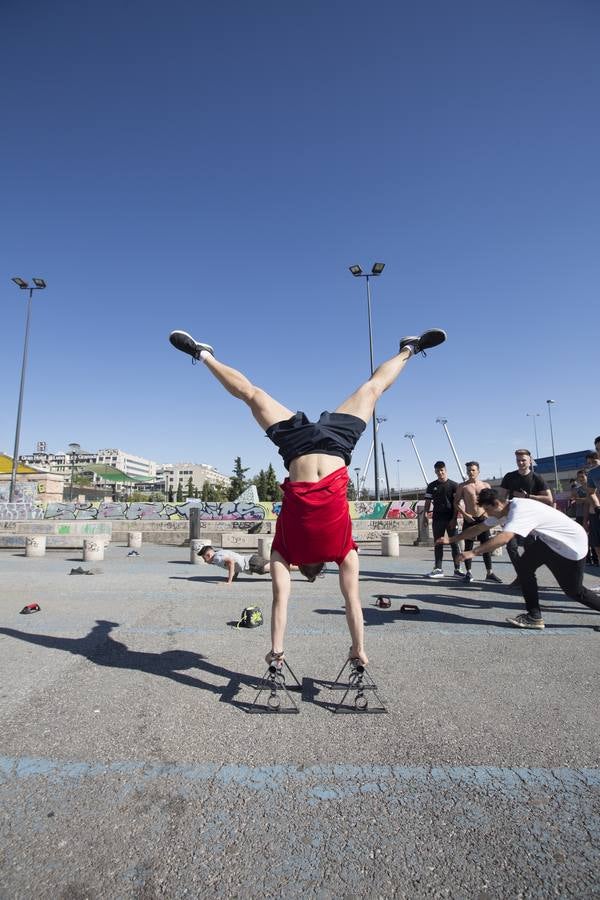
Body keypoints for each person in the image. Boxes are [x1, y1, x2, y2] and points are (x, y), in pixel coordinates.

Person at [169, 327, 447, 666]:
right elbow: (338, 602)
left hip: (318, 445)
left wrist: (285, 650)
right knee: (265, 394)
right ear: (306, 569)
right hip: (324, 446)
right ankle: (409, 349)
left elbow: (303, 602)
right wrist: (347, 649)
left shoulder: (302, 552)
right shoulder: (321, 552)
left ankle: (409, 349)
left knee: (266, 394)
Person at [437, 487, 600, 628]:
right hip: (550, 542)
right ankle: (534, 617)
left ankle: (535, 615)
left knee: (575, 591)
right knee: (524, 568)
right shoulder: (504, 509)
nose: (487, 514)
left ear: (497, 504)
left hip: (571, 545)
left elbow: (505, 537)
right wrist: (451, 539)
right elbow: (479, 528)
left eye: (488, 510)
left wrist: (473, 552)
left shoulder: (519, 510)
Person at [500, 449, 553, 584]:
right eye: (518, 460)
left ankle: (526, 576)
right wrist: (502, 516)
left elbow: (549, 499)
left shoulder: (537, 478)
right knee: (511, 547)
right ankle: (522, 575)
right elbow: (501, 498)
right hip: (512, 518)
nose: (521, 463)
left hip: (530, 520)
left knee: (529, 550)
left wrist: (528, 496)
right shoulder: (509, 477)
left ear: (530, 460)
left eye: (523, 460)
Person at [453, 461, 502, 584]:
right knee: (468, 546)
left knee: (486, 546)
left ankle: (489, 572)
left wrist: (488, 514)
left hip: (483, 518)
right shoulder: (462, 486)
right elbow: (456, 503)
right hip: (470, 519)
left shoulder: (486, 485)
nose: (471, 472)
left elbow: (492, 502)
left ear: (478, 471)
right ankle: (468, 572)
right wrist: (465, 515)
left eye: (473, 470)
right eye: (469, 470)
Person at [423, 461, 461, 578]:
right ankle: (438, 569)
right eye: (438, 471)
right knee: (438, 543)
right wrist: (425, 514)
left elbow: (457, 503)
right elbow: (428, 502)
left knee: (454, 544)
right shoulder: (431, 486)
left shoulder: (455, 485)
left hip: (451, 518)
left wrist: (454, 518)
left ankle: (458, 569)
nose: (440, 473)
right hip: (437, 518)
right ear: (435, 472)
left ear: (445, 470)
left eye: (442, 470)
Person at [198, 545, 271, 584]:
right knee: (276, 568)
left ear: (208, 555)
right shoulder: (219, 553)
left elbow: (231, 562)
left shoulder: (217, 558)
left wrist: (229, 581)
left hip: (252, 563)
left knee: (277, 569)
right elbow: (235, 563)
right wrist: (234, 577)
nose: (205, 561)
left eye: (204, 559)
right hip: (252, 561)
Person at [586, 450, 600, 566]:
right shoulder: (592, 473)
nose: (591, 465)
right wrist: (597, 507)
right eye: (589, 463)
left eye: (593, 462)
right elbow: (591, 493)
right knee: (596, 543)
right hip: (596, 513)